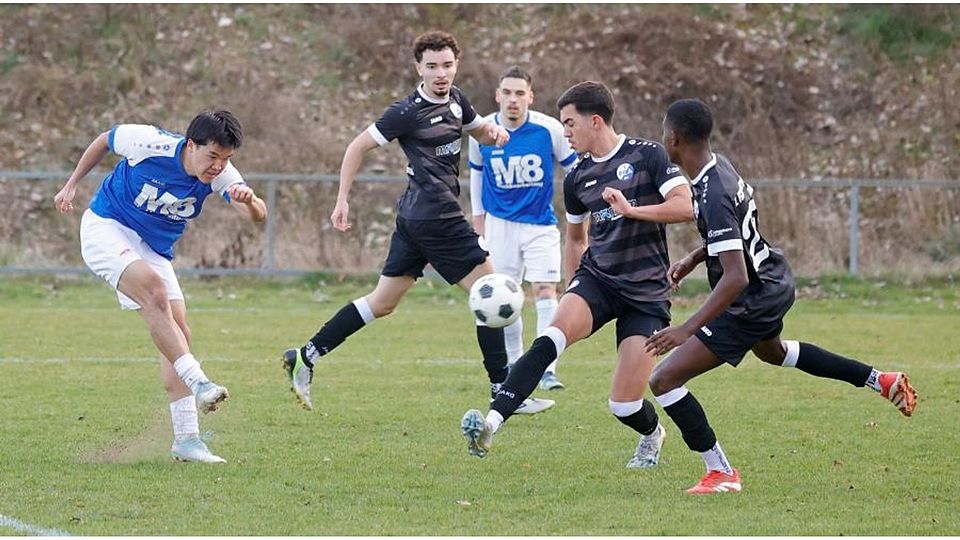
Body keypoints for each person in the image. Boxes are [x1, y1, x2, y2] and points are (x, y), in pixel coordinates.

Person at [645, 98, 919, 494]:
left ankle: (721, 472)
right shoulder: (718, 168)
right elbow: (734, 234)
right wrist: (694, 257)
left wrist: (687, 329)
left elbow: (735, 277)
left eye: (662, 132)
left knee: (664, 379)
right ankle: (880, 379)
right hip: (772, 281)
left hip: (749, 298)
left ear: (673, 139)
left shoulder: (713, 189)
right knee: (773, 353)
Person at [281, 30, 520, 413]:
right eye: (432, 66)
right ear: (418, 68)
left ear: (456, 65)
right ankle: (504, 392)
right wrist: (342, 199)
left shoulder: (457, 100)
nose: (440, 73)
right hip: (437, 217)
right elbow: (357, 146)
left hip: (414, 219)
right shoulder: (405, 112)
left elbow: (480, 132)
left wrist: (494, 134)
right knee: (491, 291)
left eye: (447, 65)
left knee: (382, 303)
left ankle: (306, 355)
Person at [460, 81, 693, 467]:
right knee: (551, 335)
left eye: (569, 124)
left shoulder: (648, 155)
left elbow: (686, 207)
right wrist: (575, 289)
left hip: (646, 292)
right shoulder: (577, 178)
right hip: (597, 280)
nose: (564, 132)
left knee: (624, 404)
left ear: (595, 121)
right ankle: (490, 424)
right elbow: (575, 238)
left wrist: (632, 211)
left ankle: (652, 434)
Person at [54, 111, 267, 463]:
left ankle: (187, 440)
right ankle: (200, 383)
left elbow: (258, 216)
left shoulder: (222, 175)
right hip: (107, 226)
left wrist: (250, 202)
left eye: (226, 159)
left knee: (180, 330)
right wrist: (71, 183)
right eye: (212, 156)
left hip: (151, 247)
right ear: (191, 144)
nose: (218, 166)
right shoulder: (149, 143)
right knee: (153, 292)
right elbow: (105, 140)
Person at [468, 65, 578, 395]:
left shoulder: (549, 129)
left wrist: (581, 210)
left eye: (520, 93)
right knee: (507, 295)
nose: (513, 100)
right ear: (497, 95)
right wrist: (478, 217)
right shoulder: (483, 131)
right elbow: (476, 173)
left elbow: (575, 170)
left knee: (546, 290)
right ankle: (517, 364)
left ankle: (546, 367)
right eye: (507, 93)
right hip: (499, 224)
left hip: (540, 224)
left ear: (530, 96)